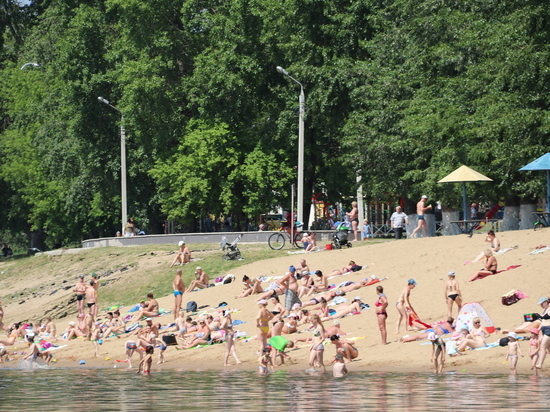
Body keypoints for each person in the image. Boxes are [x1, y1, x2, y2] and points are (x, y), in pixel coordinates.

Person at [535, 297, 550, 371]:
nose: (541, 305)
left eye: (542, 303)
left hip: (549, 329)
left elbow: (547, 316)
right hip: (544, 329)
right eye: (540, 304)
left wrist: (540, 316)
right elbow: (542, 320)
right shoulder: (544, 310)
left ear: (546, 302)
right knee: (548, 349)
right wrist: (538, 329)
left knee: (543, 346)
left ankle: (540, 364)